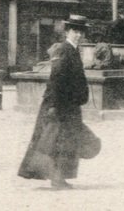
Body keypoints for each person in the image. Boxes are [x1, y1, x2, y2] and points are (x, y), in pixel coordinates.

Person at [18, 15, 91, 189]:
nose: (78, 35)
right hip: (61, 105)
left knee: (65, 142)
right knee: (57, 142)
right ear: (67, 31)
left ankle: (60, 178)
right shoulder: (64, 49)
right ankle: (57, 180)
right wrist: (54, 106)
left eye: (81, 31)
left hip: (68, 105)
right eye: (75, 30)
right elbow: (56, 79)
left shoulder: (72, 50)